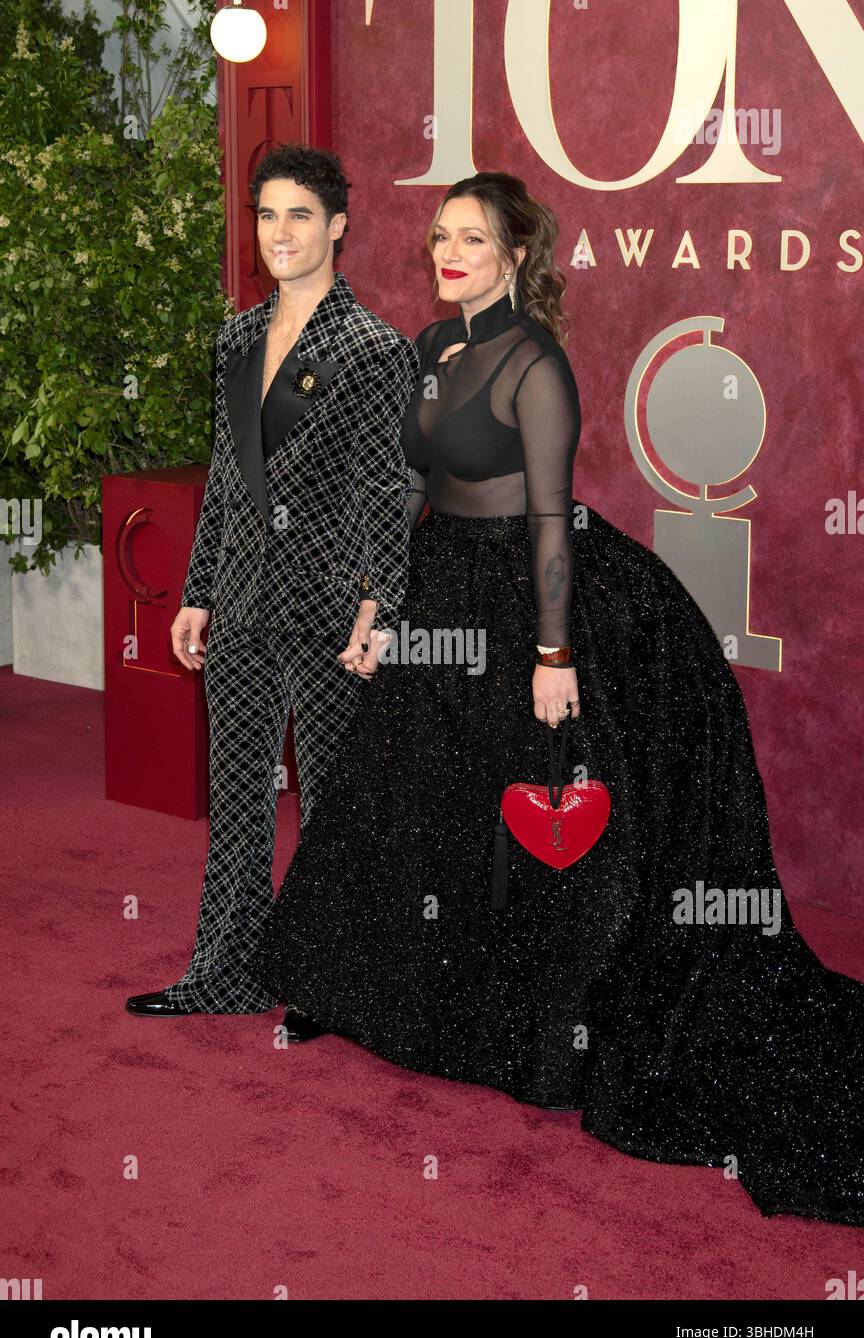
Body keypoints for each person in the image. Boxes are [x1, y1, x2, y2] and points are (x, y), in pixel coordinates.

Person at [250, 171, 864, 1225]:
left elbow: (548, 519)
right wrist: (376, 607)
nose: (450, 256)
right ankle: (359, 996)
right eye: (441, 237)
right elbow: (411, 496)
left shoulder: (537, 364)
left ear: (518, 255)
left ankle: (546, 1037)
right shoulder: (436, 351)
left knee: (533, 811)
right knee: (406, 795)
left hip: (527, 595)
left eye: (474, 241)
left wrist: (554, 654)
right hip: (441, 582)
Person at [126, 144, 419, 1018]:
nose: (280, 232)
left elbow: (386, 486)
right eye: (266, 215)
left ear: (337, 227)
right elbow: (226, 473)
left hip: (331, 603)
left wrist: (379, 603)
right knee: (240, 793)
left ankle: (335, 981)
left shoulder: (372, 350)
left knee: (330, 800)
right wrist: (198, 590)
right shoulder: (239, 338)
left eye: (299, 215)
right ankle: (226, 970)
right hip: (246, 599)